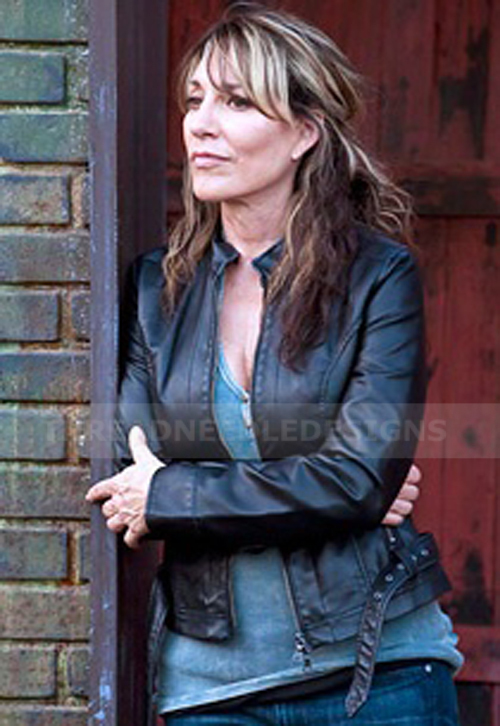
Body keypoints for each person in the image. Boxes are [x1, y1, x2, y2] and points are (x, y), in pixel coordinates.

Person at [86, 3, 463, 724]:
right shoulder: (154, 289)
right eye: (195, 99)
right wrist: (319, 485)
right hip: (214, 689)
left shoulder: (377, 278)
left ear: (304, 132)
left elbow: (356, 481)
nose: (201, 124)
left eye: (236, 102)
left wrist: (178, 495)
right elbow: (128, 472)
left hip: (378, 675)